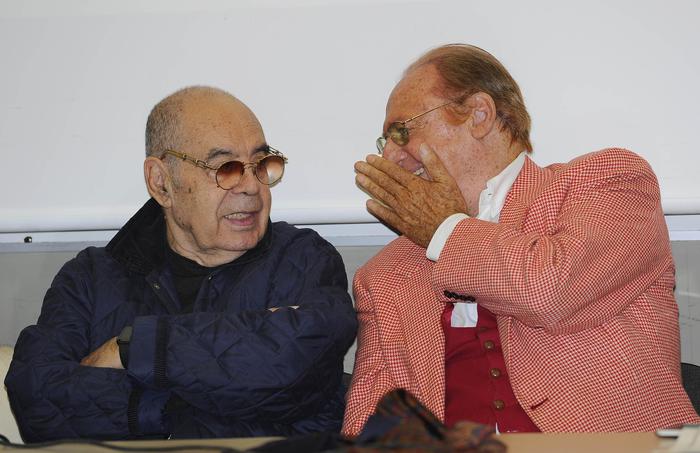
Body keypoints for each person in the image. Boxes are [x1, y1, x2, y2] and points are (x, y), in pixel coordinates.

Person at [343, 44, 698, 435]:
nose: (391, 158)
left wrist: (444, 230)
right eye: (385, 142)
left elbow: (550, 290)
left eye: (401, 131)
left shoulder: (609, 182)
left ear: (479, 114)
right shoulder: (382, 276)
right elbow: (369, 425)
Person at [5, 86, 357, 441]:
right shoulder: (91, 278)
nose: (252, 187)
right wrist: (170, 411)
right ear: (161, 183)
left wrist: (136, 348)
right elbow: (37, 395)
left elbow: (295, 374)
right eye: (227, 168)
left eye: (261, 164)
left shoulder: (302, 258)